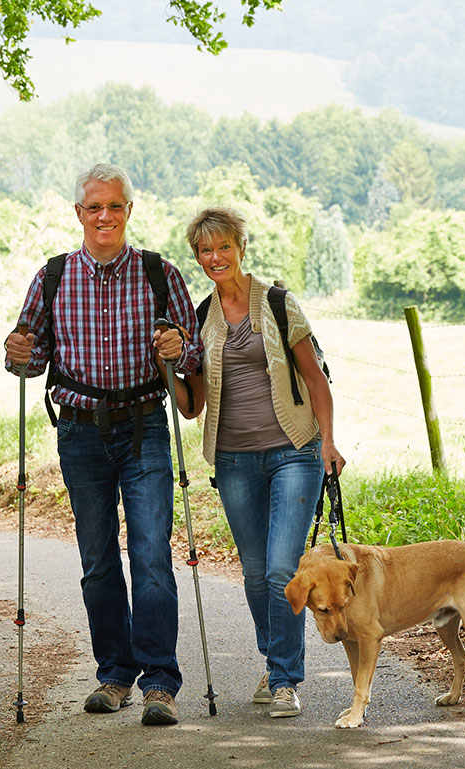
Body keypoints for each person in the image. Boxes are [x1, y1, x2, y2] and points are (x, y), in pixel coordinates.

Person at [3, 163, 202, 727]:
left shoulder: (160, 274)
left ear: (129, 211)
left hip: (144, 428)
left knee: (152, 556)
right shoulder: (53, 276)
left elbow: (193, 360)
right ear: (79, 213)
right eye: (94, 207)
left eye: (115, 206)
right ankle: (115, 675)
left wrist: (177, 346)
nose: (105, 216)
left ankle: (160, 682)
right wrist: (17, 351)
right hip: (80, 431)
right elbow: (30, 356)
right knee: (97, 561)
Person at [170, 206, 345, 720]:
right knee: (252, 574)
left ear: (241, 248)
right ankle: (275, 663)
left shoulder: (278, 303)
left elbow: (315, 379)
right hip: (232, 458)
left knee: (279, 569)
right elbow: (192, 405)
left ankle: (287, 679)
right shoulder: (201, 316)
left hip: (294, 450)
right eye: (205, 250)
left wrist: (329, 442)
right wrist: (169, 362)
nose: (215, 257)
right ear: (197, 257)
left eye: (224, 246)